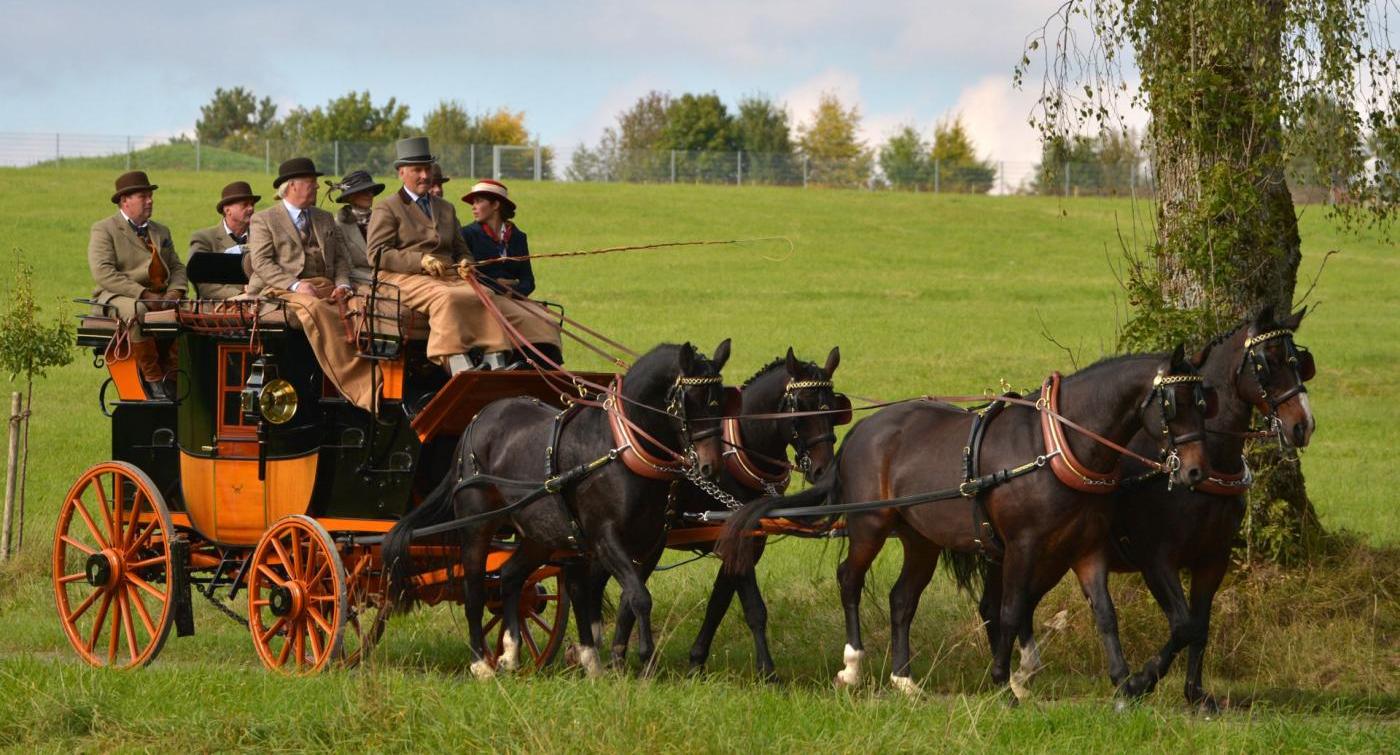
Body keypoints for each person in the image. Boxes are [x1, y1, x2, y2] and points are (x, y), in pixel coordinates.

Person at [365, 137, 518, 373]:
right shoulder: (387, 207)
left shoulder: (446, 208)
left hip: (447, 276)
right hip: (401, 278)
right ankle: (457, 367)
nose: (425, 176)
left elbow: (461, 249)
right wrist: (420, 261)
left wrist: (466, 263)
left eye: (427, 169)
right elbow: (376, 254)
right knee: (446, 297)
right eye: (417, 170)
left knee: (485, 293)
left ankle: (496, 361)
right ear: (401, 172)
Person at [246, 157, 376, 410]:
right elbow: (261, 263)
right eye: (311, 182)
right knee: (315, 310)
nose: (317, 187)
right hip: (281, 289)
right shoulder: (265, 219)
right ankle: (349, 383)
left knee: (366, 305)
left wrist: (343, 285)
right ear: (291, 185)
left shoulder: (324, 218)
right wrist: (295, 285)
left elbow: (340, 259)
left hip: (326, 284)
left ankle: (373, 375)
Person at [87, 170, 187, 399]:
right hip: (117, 295)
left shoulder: (161, 231)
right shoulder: (105, 229)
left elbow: (178, 267)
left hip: (161, 295)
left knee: (191, 312)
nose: (150, 200)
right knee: (137, 310)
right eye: (143, 196)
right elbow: (103, 272)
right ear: (125, 201)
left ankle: (172, 375)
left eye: (150, 196)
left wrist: (175, 291)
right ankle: (152, 379)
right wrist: (142, 294)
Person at [461, 179, 563, 364]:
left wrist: (512, 290)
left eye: (479, 201)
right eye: (473, 203)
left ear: (496, 205)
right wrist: (497, 285)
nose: (473, 207)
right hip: (484, 300)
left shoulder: (518, 237)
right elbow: (467, 275)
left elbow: (528, 280)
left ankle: (549, 369)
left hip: (514, 299)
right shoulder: (467, 234)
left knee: (549, 322)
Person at [188, 180, 260, 299]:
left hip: (259, 304)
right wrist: (240, 296)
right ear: (227, 210)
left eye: (252, 204)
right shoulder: (204, 238)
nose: (251, 208)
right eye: (245, 205)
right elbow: (202, 281)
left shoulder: (262, 237)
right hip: (217, 308)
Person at [331, 169, 383, 280]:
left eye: (371, 190)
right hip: (360, 281)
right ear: (350, 196)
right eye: (364, 191)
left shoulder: (382, 219)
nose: (370, 194)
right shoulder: (339, 226)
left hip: (390, 276)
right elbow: (347, 267)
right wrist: (375, 279)